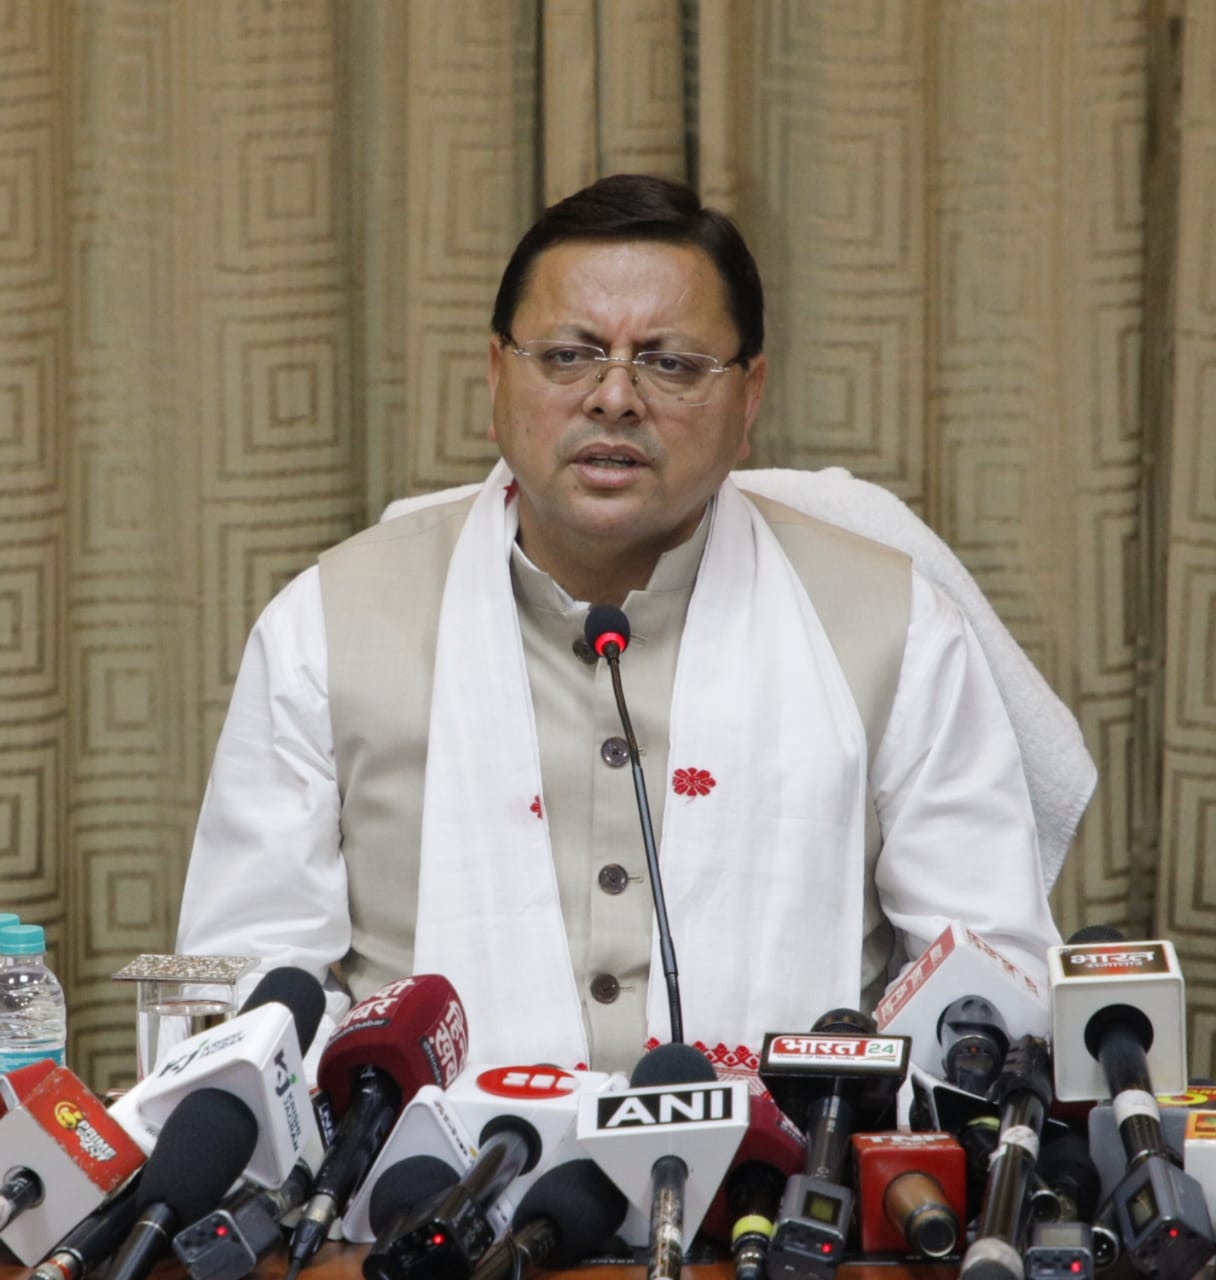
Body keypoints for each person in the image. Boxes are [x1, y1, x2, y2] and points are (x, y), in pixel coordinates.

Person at [176, 174, 1085, 1076]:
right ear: (496, 375)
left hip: (796, 1162)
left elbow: (987, 987)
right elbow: (247, 989)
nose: (614, 397)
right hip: (412, 1163)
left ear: (750, 397)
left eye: (672, 364)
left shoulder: (892, 625)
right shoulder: (329, 626)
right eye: (567, 357)